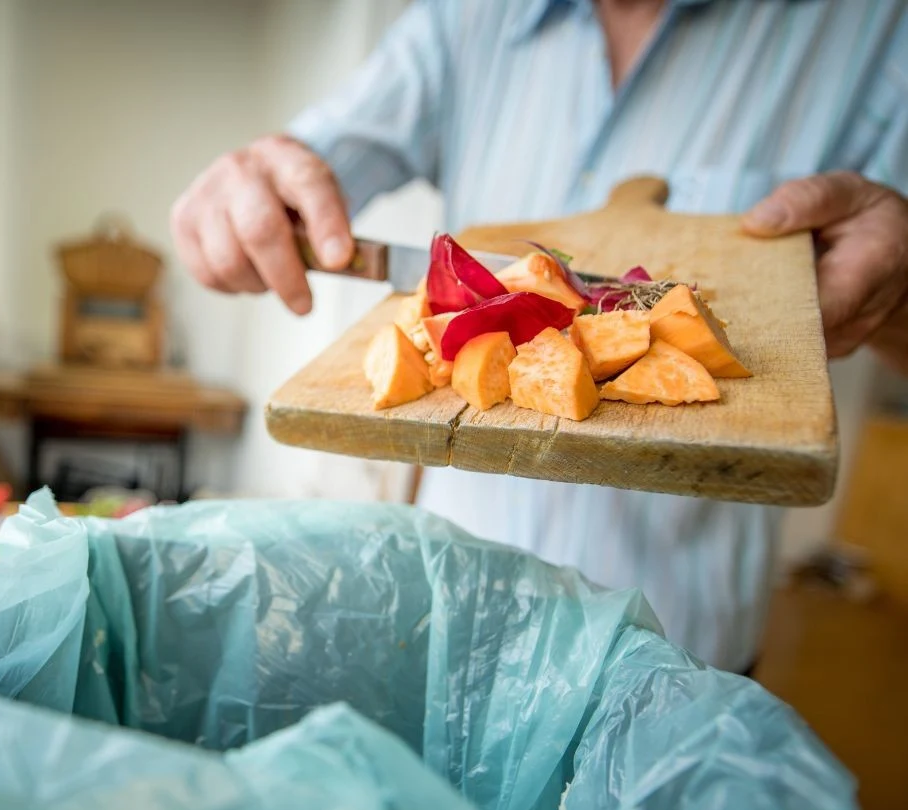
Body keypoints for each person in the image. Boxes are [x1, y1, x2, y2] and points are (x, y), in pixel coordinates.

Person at [170, 0, 908, 673]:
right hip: (447, 628)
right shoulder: (462, 20)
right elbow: (303, 170)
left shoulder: (876, 30)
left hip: (679, 664)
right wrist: (253, 189)